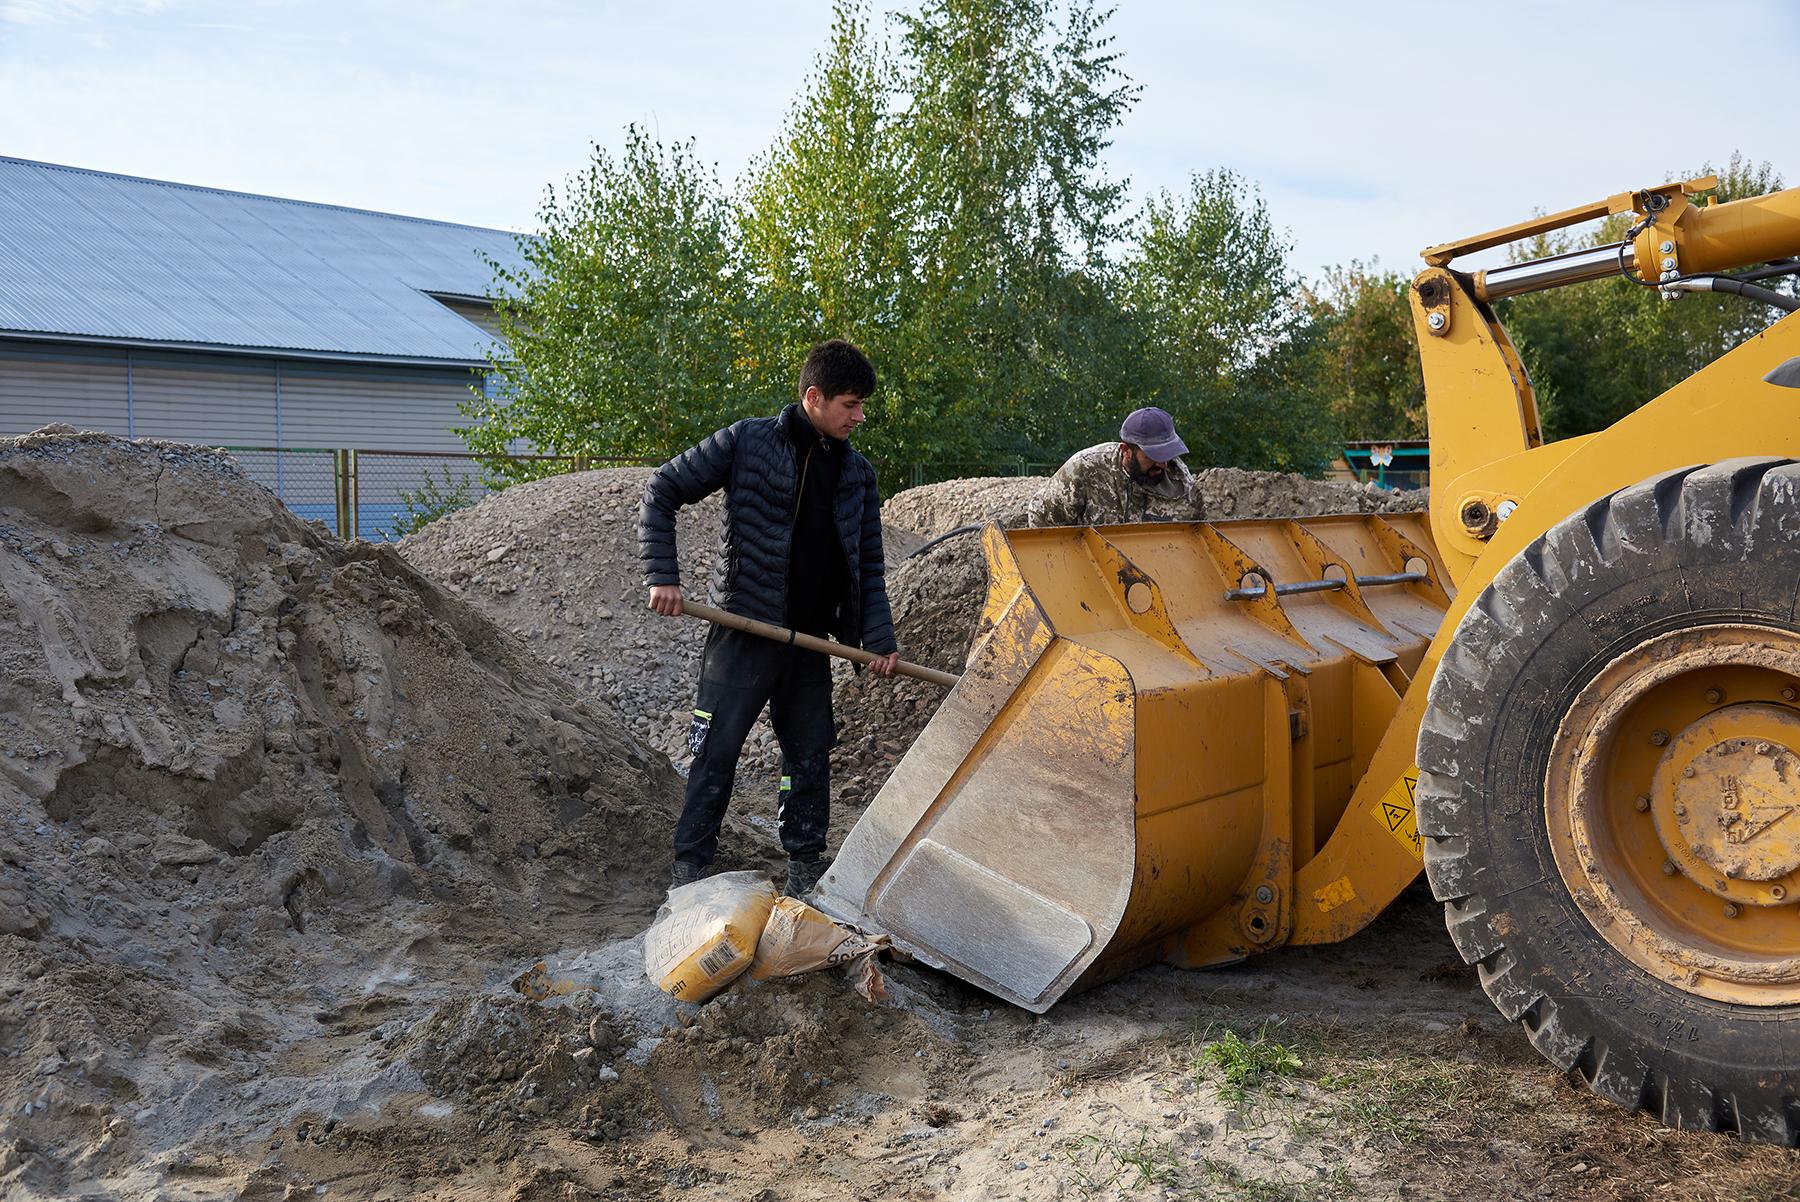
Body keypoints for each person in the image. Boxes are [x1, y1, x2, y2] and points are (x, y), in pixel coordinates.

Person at [639, 339, 900, 896]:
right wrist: (664, 575)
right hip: (744, 629)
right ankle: (689, 873)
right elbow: (662, 489)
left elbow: (868, 564)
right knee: (715, 754)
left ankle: (806, 871)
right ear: (814, 397)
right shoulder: (747, 443)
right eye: (851, 404)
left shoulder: (858, 475)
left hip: (810, 642)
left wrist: (878, 638)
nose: (860, 416)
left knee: (809, 756)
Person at [1027, 407, 1203, 527]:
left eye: (1167, 454)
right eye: (1152, 456)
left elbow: (1197, 538)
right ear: (1126, 450)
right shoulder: (1086, 468)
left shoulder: (1181, 483)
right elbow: (1041, 517)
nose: (1163, 464)